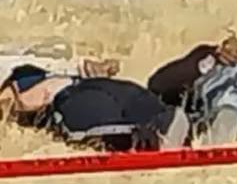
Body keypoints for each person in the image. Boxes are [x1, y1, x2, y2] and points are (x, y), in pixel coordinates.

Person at [0, 61, 189, 151]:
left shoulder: (19, 70)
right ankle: (156, 135)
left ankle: (157, 133)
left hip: (79, 90)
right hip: (77, 94)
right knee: (112, 123)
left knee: (122, 114)